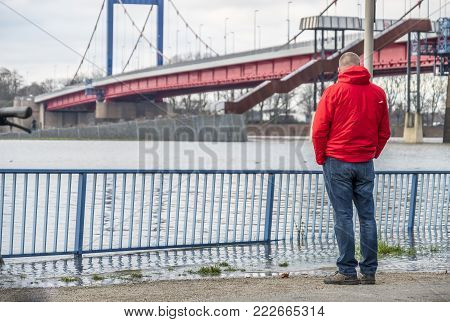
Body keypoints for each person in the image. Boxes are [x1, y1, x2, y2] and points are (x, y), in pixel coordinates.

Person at [312, 52, 390, 285]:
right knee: (368, 218)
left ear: (340, 70)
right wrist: (371, 153)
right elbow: (384, 132)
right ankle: (369, 272)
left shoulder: (333, 92)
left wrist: (321, 158)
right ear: (360, 67)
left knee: (343, 216)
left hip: (337, 161)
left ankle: (346, 271)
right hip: (365, 164)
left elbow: (318, 131)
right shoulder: (378, 93)